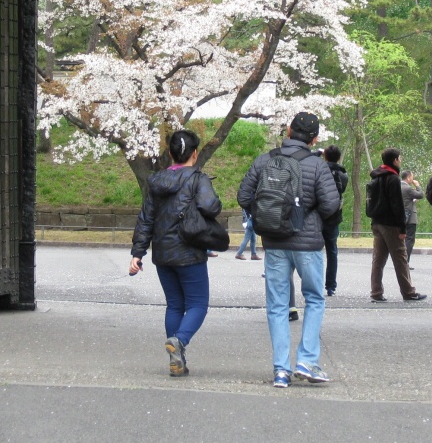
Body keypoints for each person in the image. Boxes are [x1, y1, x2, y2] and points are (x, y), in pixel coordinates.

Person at [238, 111, 341, 388]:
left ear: (288, 131)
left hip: (274, 243)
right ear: (315, 138)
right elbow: (331, 205)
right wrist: (310, 216)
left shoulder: (265, 160)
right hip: (307, 244)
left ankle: (281, 370)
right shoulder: (317, 166)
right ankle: (307, 360)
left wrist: (265, 217)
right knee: (315, 299)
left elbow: (244, 196)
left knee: (277, 305)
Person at [129, 129, 222, 377]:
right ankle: (179, 341)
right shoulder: (197, 178)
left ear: (170, 153)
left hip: (162, 253)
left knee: (174, 305)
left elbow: (145, 219)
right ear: (194, 153)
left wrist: (138, 252)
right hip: (189, 251)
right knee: (198, 304)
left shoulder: (157, 182)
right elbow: (210, 206)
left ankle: (177, 360)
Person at [367, 148, 427, 302]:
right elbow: (397, 205)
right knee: (400, 258)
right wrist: (402, 227)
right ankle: (408, 292)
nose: (400, 160)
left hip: (377, 222)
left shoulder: (376, 177)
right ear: (395, 160)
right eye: (399, 158)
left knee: (378, 259)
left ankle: (376, 292)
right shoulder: (393, 179)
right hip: (391, 225)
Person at [322, 144, 349, 296]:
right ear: (339, 158)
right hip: (334, 216)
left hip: (318, 216)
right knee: (332, 251)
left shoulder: (319, 171)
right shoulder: (343, 175)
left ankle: (313, 282)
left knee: (313, 251)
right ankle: (331, 285)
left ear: (325, 156)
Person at [400, 170, 424, 268]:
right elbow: (420, 194)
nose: (413, 179)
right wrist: (417, 185)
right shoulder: (407, 188)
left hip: (400, 217)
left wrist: (413, 200)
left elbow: (405, 200)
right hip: (410, 218)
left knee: (401, 240)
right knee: (409, 240)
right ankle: (405, 262)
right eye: (412, 177)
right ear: (409, 177)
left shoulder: (397, 187)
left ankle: (400, 262)